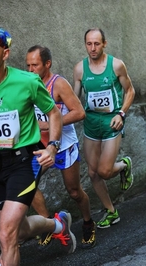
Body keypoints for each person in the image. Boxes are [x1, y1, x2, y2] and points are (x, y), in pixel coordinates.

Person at [0, 26, 76, 266]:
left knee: (6, 234)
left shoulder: (27, 81)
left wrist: (52, 147)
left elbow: (54, 114)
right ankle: (57, 224)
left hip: (22, 163)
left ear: (4, 54)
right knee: (20, 230)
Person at [26, 45, 96, 249]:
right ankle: (51, 224)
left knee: (74, 191)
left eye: (35, 65)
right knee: (27, 186)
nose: (30, 69)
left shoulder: (58, 84)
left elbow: (79, 113)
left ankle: (88, 222)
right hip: (39, 146)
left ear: (47, 64)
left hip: (64, 146)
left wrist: (49, 124)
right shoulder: (27, 83)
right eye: (28, 65)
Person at [73, 28, 135, 229]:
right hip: (91, 123)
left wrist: (121, 114)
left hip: (112, 122)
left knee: (105, 171)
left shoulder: (116, 65)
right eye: (89, 44)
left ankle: (124, 165)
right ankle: (111, 211)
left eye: (97, 44)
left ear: (104, 43)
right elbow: (74, 99)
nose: (92, 48)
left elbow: (130, 91)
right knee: (93, 173)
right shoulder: (80, 69)